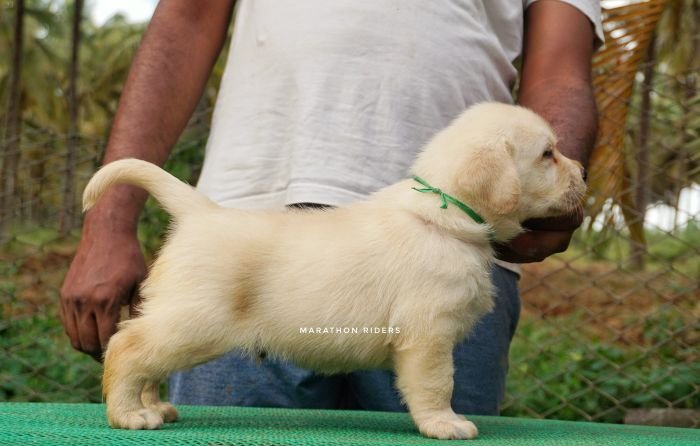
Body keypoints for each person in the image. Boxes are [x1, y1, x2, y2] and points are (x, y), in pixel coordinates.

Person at [61, 0, 603, 414]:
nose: (563, 165)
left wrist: (551, 187)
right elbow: (186, 18)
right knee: (195, 345)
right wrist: (110, 221)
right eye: (551, 156)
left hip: (466, 237)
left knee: (436, 384)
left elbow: (560, 69)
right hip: (255, 233)